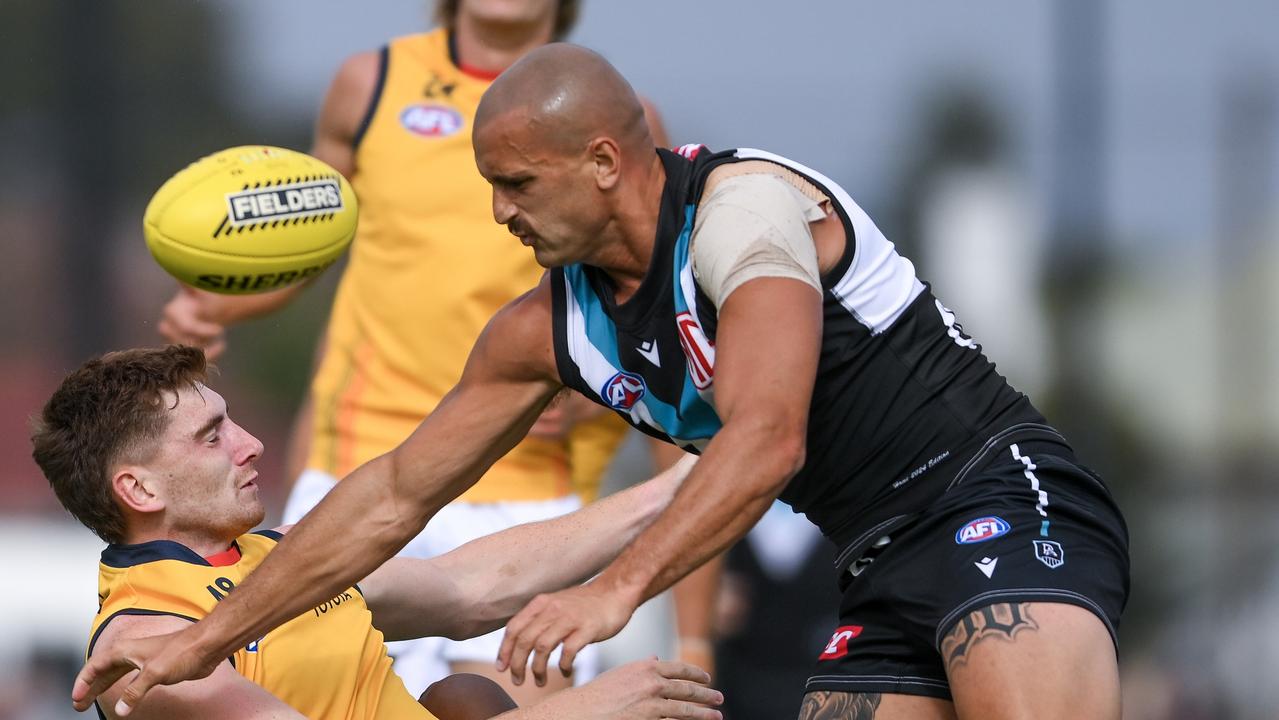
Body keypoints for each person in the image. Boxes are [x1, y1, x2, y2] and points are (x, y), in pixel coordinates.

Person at [77, 45, 1130, 720]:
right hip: (879, 563)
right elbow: (395, 495)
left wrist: (614, 593)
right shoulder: (546, 328)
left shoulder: (744, 212)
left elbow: (766, 438)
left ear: (603, 163)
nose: (499, 214)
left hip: (996, 501)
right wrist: (207, 640)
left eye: (516, 185)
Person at [152, 0, 713, 702]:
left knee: (499, 706)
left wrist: (595, 406)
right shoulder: (372, 83)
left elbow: (659, 336)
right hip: (361, 472)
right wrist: (215, 302)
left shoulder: (617, 114)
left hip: (528, 497)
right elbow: (303, 239)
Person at [33, 345, 720, 720]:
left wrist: (689, 483)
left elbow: (471, 586)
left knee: (464, 698)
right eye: (213, 436)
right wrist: (585, 713)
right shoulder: (140, 649)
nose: (250, 445)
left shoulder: (280, 559)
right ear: (139, 489)